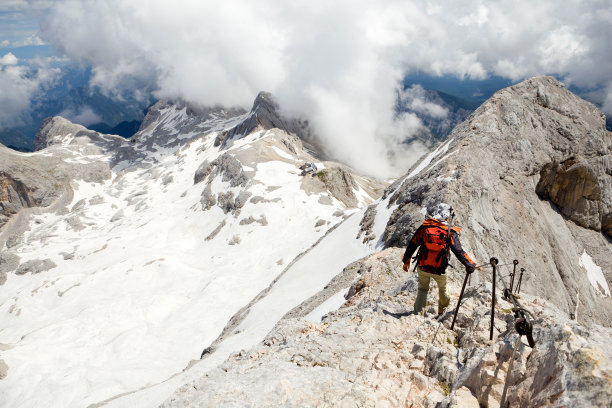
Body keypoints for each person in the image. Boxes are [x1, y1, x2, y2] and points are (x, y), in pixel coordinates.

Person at [402, 203, 477, 316]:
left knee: (422, 289)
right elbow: (458, 251)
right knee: (443, 288)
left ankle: (418, 314)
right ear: (448, 216)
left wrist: (406, 260)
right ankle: (442, 313)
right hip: (440, 268)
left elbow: (413, 243)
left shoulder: (426, 226)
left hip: (423, 266)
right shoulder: (449, 231)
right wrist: (470, 264)